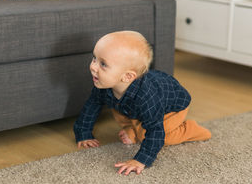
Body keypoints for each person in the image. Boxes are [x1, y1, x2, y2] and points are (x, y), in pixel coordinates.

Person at [73, 31, 211, 175]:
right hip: (132, 108)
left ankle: (189, 129)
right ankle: (134, 129)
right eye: (94, 58)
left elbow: (155, 130)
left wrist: (141, 160)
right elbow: (91, 106)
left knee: (162, 137)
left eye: (103, 64)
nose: (93, 67)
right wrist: (83, 133)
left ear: (127, 76)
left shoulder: (147, 96)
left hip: (172, 108)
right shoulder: (103, 84)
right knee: (118, 109)